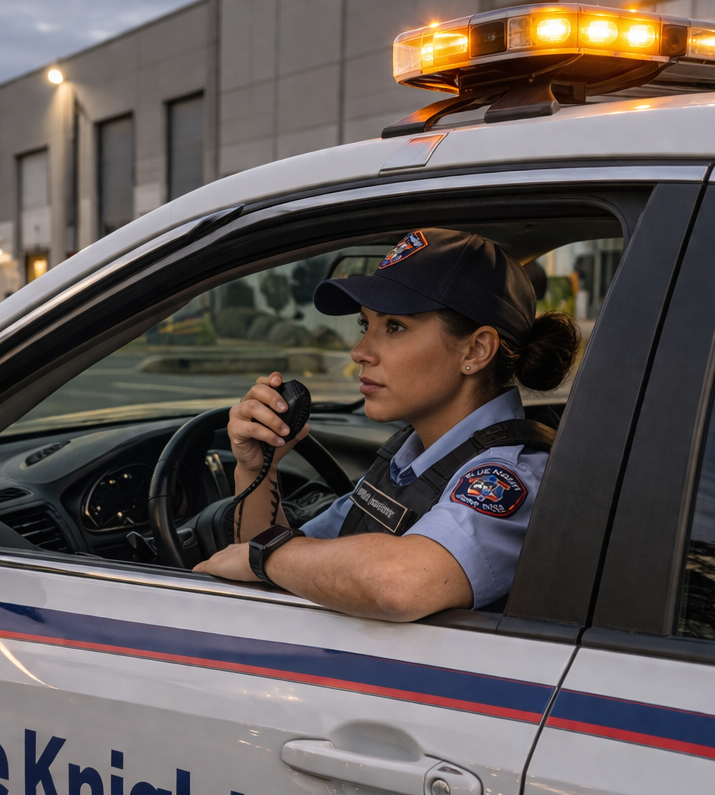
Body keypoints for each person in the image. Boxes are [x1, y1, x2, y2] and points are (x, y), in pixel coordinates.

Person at [193, 228, 580, 622]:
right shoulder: (409, 456)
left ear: (476, 350)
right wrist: (259, 468)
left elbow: (401, 584)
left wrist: (267, 556)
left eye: (394, 327)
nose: (359, 351)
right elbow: (292, 564)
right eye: (366, 325)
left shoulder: (510, 475)